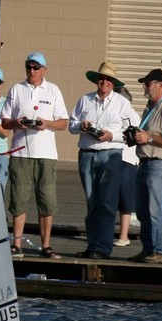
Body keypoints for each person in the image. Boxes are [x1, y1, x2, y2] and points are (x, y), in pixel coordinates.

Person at [0, 52, 69, 259]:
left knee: (46, 200)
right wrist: (17, 123)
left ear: (44, 70)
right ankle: (17, 244)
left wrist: (46, 124)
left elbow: (63, 122)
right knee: (18, 198)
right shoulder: (16, 89)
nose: (32, 71)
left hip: (46, 154)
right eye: (29, 67)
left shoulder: (53, 90)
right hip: (20, 152)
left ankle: (46, 245)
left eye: (36, 67)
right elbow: (5, 122)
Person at [68, 61, 139, 259]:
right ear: (96, 80)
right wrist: (81, 126)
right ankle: (93, 245)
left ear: (114, 83)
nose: (104, 82)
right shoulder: (85, 100)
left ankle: (103, 248)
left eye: (108, 79)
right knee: (92, 202)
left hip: (111, 154)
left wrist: (112, 136)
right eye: (102, 78)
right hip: (88, 154)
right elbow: (71, 125)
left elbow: (134, 128)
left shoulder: (122, 102)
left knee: (107, 202)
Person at [130, 69, 162, 264]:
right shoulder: (150, 106)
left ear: (160, 85)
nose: (145, 86)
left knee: (156, 210)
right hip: (144, 163)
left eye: (148, 83)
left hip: (159, 164)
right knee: (143, 211)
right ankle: (149, 249)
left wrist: (149, 137)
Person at [114, 85, 139, 248]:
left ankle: (124, 235)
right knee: (109, 197)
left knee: (125, 196)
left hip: (128, 160)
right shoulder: (111, 114)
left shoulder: (133, 116)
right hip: (111, 157)